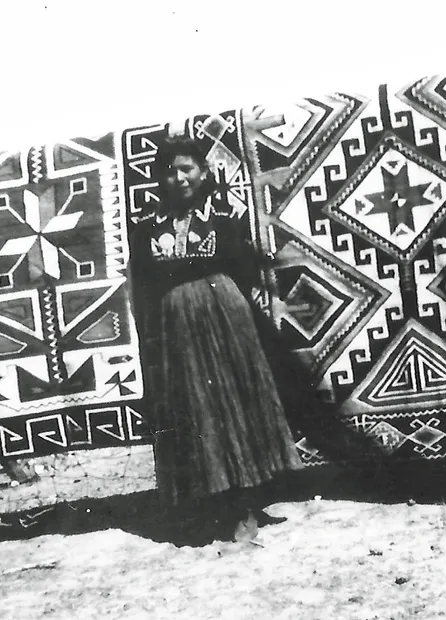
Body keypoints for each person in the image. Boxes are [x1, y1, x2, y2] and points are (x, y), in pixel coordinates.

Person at [128, 134, 303, 542]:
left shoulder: (223, 219)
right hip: (176, 326)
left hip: (224, 316)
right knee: (196, 408)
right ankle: (210, 503)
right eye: (168, 171)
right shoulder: (146, 229)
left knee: (232, 403)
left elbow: (244, 271)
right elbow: (144, 287)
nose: (178, 178)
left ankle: (244, 507)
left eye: (186, 168)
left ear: (204, 173)